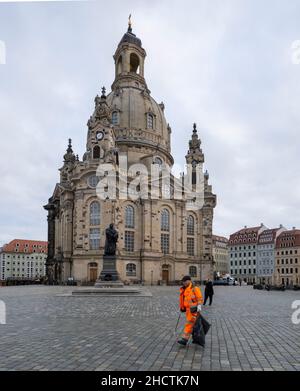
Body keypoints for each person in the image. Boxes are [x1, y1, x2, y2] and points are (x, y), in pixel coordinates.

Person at [177, 275, 203, 346]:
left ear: (189, 281)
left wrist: (199, 306)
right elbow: (184, 299)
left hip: (194, 310)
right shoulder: (185, 289)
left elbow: (199, 298)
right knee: (192, 325)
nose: (184, 283)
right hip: (188, 310)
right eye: (183, 282)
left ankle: (185, 339)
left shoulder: (195, 288)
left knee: (189, 324)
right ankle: (196, 338)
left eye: (185, 281)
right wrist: (182, 307)